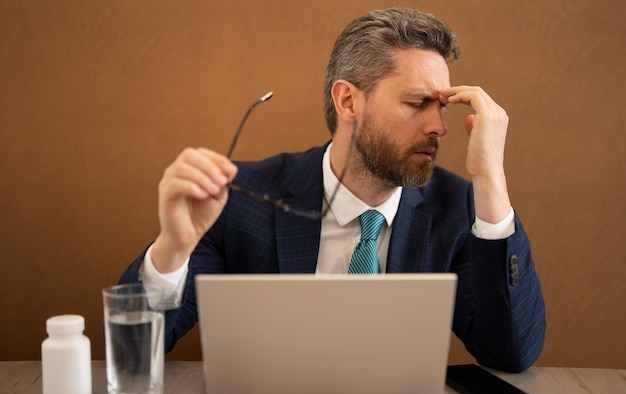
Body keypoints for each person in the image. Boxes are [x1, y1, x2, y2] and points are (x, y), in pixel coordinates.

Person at [119, 7, 546, 372]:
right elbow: (134, 355)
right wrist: (174, 247)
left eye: (441, 107)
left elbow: (511, 354)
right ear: (347, 102)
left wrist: (491, 180)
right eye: (417, 104)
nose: (440, 126)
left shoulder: (458, 208)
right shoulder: (238, 199)